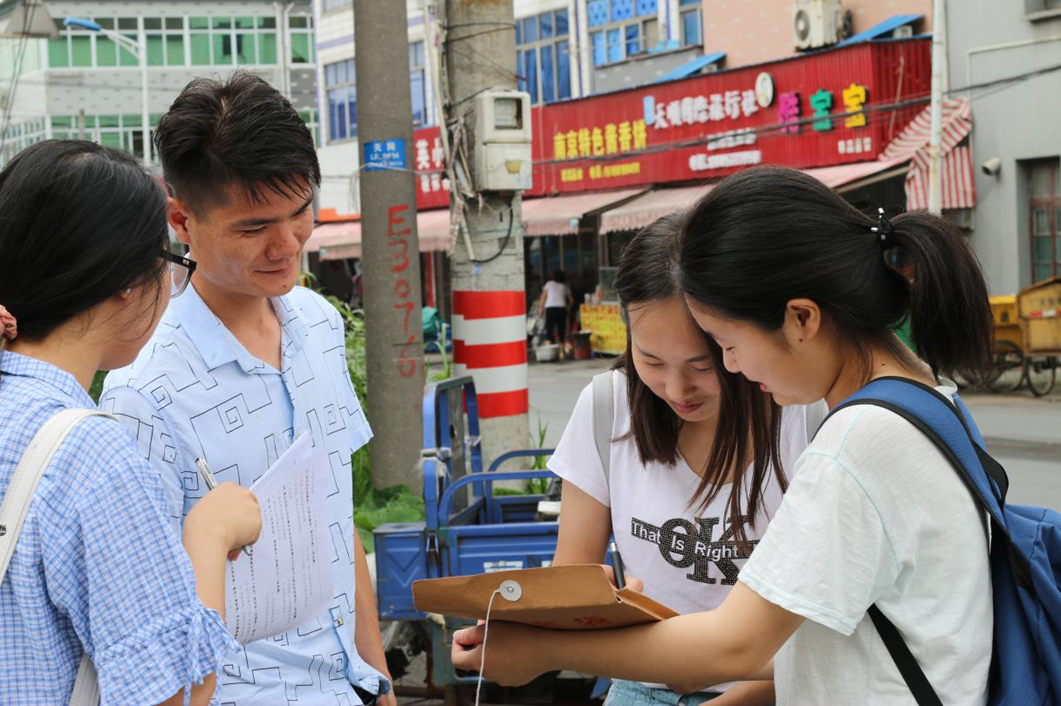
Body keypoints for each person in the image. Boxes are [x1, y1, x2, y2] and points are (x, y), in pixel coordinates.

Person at [451, 166, 995, 706]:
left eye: (724, 346)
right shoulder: (926, 399)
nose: (734, 367)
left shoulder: (856, 444)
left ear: (801, 319)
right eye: (653, 360)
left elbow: (735, 645)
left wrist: (545, 650)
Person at [100, 73, 394, 706]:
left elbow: (337, 517)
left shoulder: (318, 324)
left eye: (300, 211)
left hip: (350, 688)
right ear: (181, 219)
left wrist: (379, 676)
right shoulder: (143, 392)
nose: (287, 245)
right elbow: (145, 611)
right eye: (254, 227)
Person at [0, 140, 262, 705]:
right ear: (124, 279)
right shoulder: (91, 454)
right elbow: (177, 694)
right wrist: (208, 534)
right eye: (166, 260)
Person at [549, 215, 821, 706]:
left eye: (702, 365)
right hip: (646, 685)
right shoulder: (607, 408)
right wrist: (560, 611)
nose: (677, 390)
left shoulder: (807, 414)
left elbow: (836, 619)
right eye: (651, 361)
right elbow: (569, 580)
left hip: (784, 686)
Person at [538, 270, 574, 346]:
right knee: (561, 330)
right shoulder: (564, 286)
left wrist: (541, 308)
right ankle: (562, 350)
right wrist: (568, 308)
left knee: (549, 329)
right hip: (562, 308)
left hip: (550, 308)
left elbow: (543, 297)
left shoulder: (549, 284)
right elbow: (571, 300)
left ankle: (549, 347)